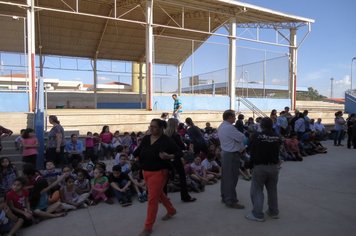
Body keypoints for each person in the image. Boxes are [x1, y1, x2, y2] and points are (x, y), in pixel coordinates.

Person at [133, 119, 181, 236]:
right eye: (150, 126)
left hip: (159, 172)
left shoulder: (167, 140)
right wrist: (135, 156)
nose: (151, 128)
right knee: (158, 194)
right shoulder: (146, 138)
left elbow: (180, 152)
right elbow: (138, 152)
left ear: (161, 128)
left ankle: (148, 227)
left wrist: (169, 156)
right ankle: (171, 210)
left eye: (154, 127)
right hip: (146, 171)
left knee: (152, 199)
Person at [246, 117, 282, 222]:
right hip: (274, 167)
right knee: (272, 190)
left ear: (261, 125)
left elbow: (251, 150)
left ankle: (257, 214)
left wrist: (250, 164)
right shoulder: (277, 136)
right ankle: (273, 212)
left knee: (257, 190)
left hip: (260, 167)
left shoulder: (256, 136)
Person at [217, 110, 246, 209]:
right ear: (229, 117)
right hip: (231, 154)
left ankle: (225, 196)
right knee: (232, 178)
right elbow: (241, 137)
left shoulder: (221, 126)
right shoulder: (229, 127)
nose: (235, 118)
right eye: (233, 116)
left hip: (226, 153)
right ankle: (231, 200)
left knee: (226, 177)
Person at [164, 118, 196, 202]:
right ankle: (185, 197)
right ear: (175, 125)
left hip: (166, 159)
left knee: (165, 178)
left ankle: (163, 197)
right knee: (182, 177)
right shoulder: (175, 135)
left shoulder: (164, 135)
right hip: (175, 157)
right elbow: (182, 147)